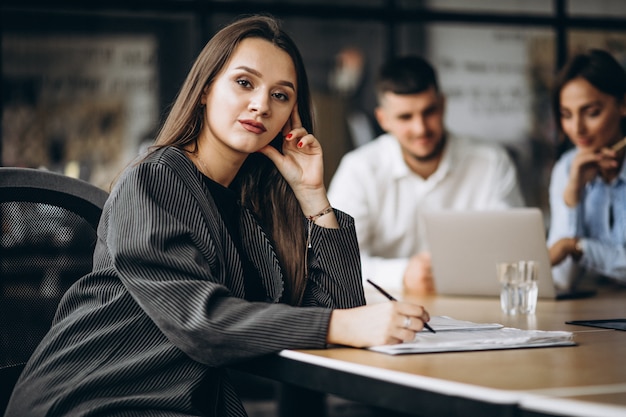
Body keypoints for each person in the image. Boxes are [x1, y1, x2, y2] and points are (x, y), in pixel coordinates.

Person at [4, 15, 432, 417]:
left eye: (280, 95)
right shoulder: (153, 181)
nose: (261, 105)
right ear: (206, 88)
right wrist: (341, 325)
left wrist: (313, 196)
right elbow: (201, 321)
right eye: (244, 83)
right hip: (95, 399)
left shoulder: (252, 212)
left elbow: (342, 313)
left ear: (291, 117)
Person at [328, 55, 525, 296]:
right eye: (405, 117)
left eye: (429, 111)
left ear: (442, 105)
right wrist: (401, 274)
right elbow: (334, 263)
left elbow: (514, 253)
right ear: (383, 119)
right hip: (383, 310)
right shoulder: (358, 169)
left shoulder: (491, 162)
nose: (421, 128)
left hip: (476, 307)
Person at [547, 48, 626, 291]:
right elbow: (563, 278)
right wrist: (573, 193)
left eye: (592, 113)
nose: (577, 129)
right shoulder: (567, 167)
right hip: (589, 313)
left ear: (623, 104)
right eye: (566, 115)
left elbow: (564, 248)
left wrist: (577, 246)